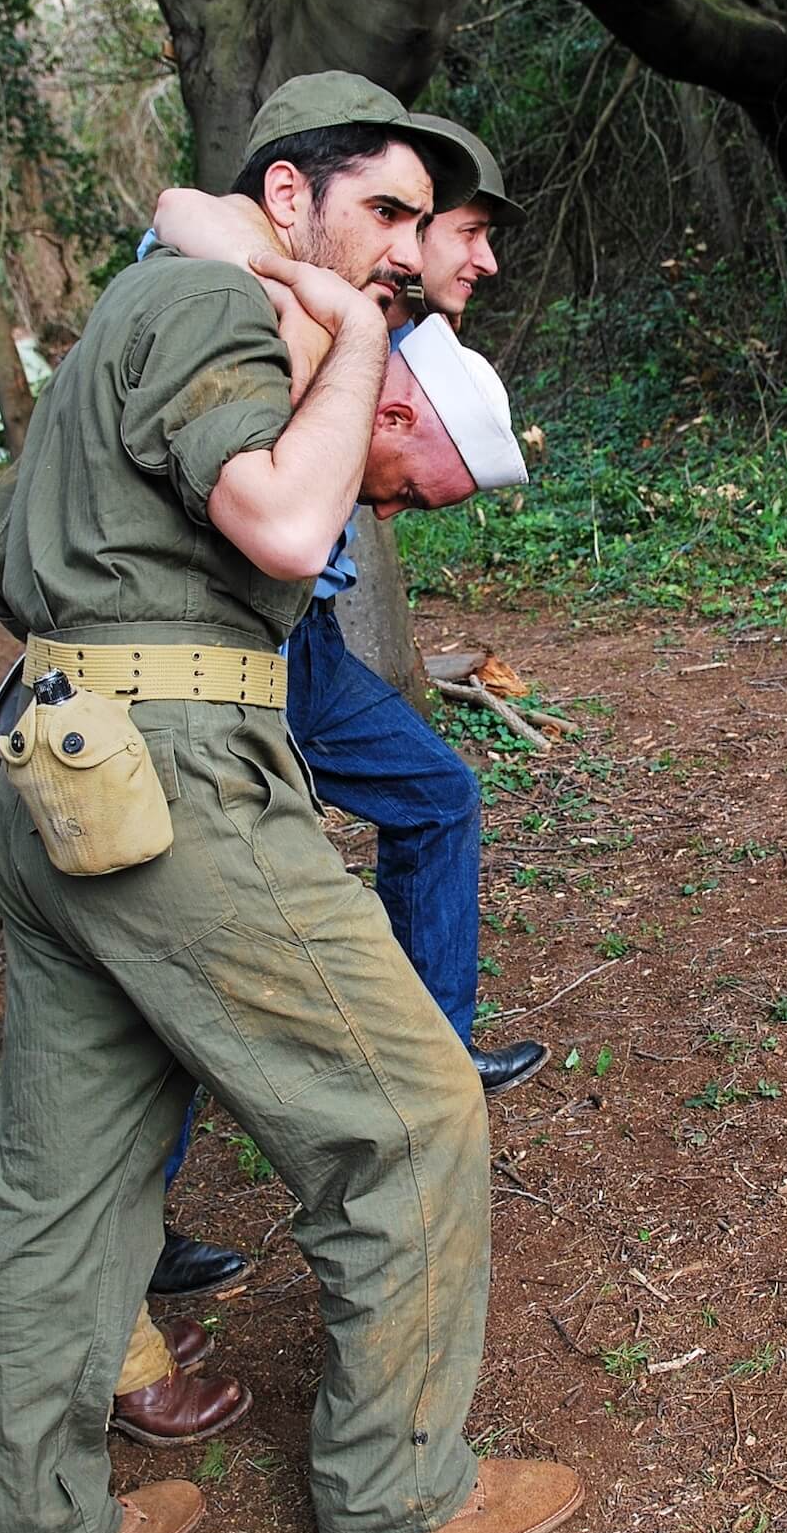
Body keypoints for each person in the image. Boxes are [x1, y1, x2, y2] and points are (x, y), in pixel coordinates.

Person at [0, 72, 583, 1533]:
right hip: (162, 776)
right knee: (413, 1109)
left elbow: (7, 558)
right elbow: (287, 530)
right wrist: (353, 329)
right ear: (289, 197)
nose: (404, 247)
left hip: (64, 759)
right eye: (381, 210)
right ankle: (390, 1491)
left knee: (64, 1184)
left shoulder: (176, 291)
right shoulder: (213, 302)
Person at [145, 119, 545, 1308]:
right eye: (429, 228)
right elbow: (183, 215)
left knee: (438, 791)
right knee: (177, 958)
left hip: (289, 644)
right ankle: (137, 1231)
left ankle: (436, 1045)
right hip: (190, 662)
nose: (452, 261)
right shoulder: (248, 306)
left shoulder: (361, 322)